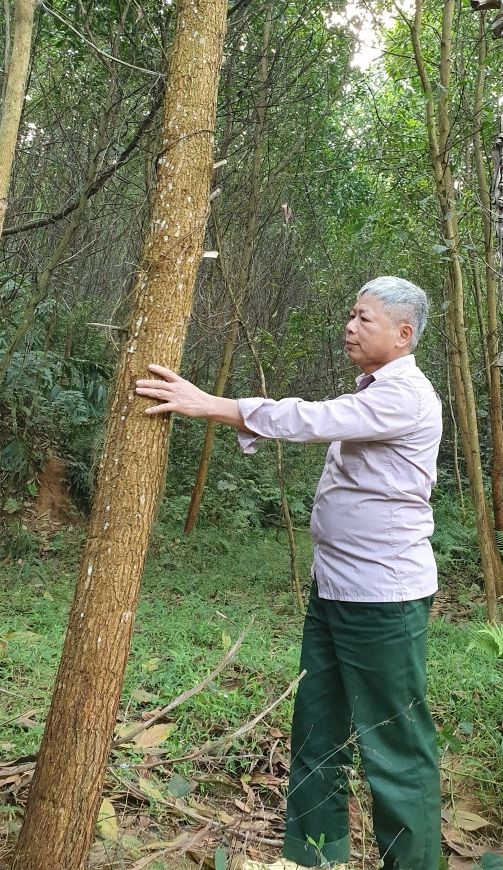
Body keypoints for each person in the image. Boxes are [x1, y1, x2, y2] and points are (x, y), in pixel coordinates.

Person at [136, 276, 443, 870]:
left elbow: (311, 419)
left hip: (383, 598)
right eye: (350, 315)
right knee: (316, 732)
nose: (349, 328)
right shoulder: (374, 390)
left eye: (364, 319)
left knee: (395, 746)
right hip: (335, 588)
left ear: (404, 336)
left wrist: (214, 405)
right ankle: (312, 858)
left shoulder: (405, 394)